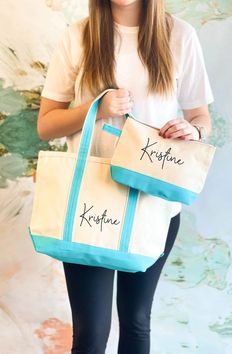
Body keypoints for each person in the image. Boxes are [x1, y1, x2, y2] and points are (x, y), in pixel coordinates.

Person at [37, 1, 214, 353]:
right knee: (91, 334)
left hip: (154, 205)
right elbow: (46, 125)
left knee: (136, 322)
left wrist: (192, 130)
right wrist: (96, 109)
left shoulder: (180, 35)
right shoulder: (79, 36)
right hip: (90, 202)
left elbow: (201, 119)